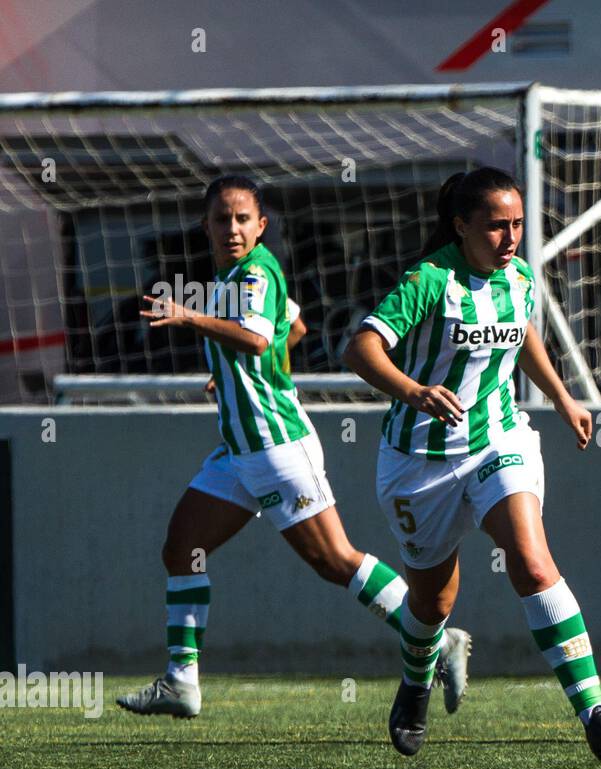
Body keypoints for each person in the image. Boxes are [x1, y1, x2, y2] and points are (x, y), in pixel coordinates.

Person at [117, 174, 468, 719]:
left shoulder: (255, 270)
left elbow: (257, 337)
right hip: (240, 451)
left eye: (242, 219)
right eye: (221, 219)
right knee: (182, 545)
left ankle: (434, 637)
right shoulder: (232, 277)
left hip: (277, 445)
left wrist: (189, 318)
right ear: (205, 225)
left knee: (336, 560)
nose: (231, 228)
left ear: (261, 225)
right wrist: (233, 375)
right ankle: (181, 681)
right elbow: (293, 328)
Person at [343, 166, 601, 761]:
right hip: (419, 463)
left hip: (498, 442)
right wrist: (413, 391)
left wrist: (562, 397)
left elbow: (523, 331)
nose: (510, 239)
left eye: (517, 226)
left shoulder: (520, 277)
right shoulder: (429, 280)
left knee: (531, 565)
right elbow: (361, 347)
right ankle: (415, 681)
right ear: (461, 227)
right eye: (496, 228)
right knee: (431, 604)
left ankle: (595, 714)